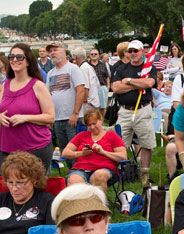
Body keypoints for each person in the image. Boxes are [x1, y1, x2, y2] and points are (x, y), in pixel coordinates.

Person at [0, 43, 55, 178]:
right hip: (6, 146)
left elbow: (50, 117)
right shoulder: (6, 84)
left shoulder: (38, 86)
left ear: (28, 61)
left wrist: (25, 117)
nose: (14, 60)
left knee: (30, 189)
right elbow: (0, 109)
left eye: (19, 57)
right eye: (11, 57)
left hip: (34, 147)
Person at [111, 40, 157, 187]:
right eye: (130, 51)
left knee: (146, 143)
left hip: (143, 109)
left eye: (135, 51)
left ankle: (145, 174)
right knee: (118, 142)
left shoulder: (149, 67)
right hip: (124, 111)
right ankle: (119, 173)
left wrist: (129, 81)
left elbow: (149, 83)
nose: (132, 54)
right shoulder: (121, 68)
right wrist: (137, 84)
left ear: (142, 51)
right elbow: (116, 88)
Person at [62, 109, 126, 194]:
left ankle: (97, 206)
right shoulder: (82, 135)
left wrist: (103, 152)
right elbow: (65, 152)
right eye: (89, 125)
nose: (92, 127)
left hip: (105, 169)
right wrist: (81, 153)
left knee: (98, 175)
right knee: (74, 180)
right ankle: (80, 206)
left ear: (101, 120)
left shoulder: (112, 135)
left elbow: (123, 156)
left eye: (94, 123)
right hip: (81, 168)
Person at [46, 41, 86, 164]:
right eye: (50, 51)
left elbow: (80, 91)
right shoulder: (50, 73)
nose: (52, 53)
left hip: (72, 119)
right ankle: (71, 174)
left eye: (55, 49)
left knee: (76, 149)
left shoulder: (73, 69)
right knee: (64, 150)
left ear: (64, 51)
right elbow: (48, 96)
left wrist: (75, 113)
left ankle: (80, 173)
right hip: (57, 119)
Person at [72, 47, 100, 112]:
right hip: (93, 100)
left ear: (76, 57)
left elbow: (85, 87)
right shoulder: (87, 66)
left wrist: (84, 101)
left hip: (88, 103)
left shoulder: (83, 68)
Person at [87, 48, 110, 114]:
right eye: (92, 54)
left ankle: (101, 122)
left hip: (102, 87)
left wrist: (107, 86)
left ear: (98, 55)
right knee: (92, 108)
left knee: (103, 108)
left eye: (95, 54)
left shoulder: (103, 64)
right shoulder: (87, 65)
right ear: (89, 55)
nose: (93, 55)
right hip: (91, 89)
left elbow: (107, 76)